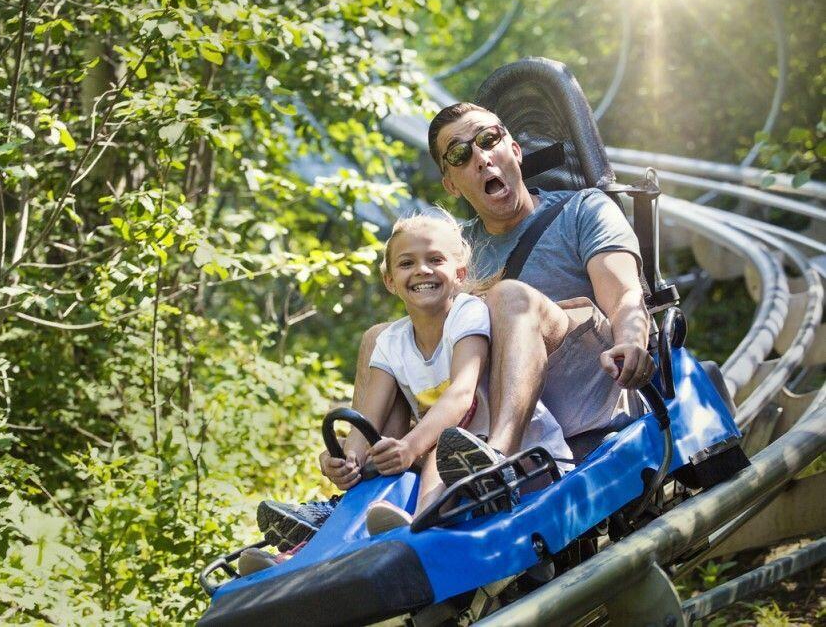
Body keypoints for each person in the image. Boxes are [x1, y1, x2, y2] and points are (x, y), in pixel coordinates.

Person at [258, 102, 654, 550]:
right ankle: (356, 489)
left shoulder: (584, 209)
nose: (481, 157)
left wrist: (631, 339)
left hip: (583, 382)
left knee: (505, 296)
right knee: (379, 338)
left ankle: (498, 460)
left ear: (514, 148)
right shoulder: (454, 249)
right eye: (460, 154)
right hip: (478, 401)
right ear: (450, 182)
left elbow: (624, 294)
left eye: (488, 140)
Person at [239, 210, 571, 575]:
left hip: (515, 455)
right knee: (381, 465)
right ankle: (303, 556)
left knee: (437, 449)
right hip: (449, 455)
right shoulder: (391, 343)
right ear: (390, 280)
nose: (422, 270)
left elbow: (462, 394)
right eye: (407, 263)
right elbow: (368, 421)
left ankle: (418, 533)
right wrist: (347, 458)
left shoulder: (467, 313)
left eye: (435, 260)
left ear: (459, 274)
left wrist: (410, 446)